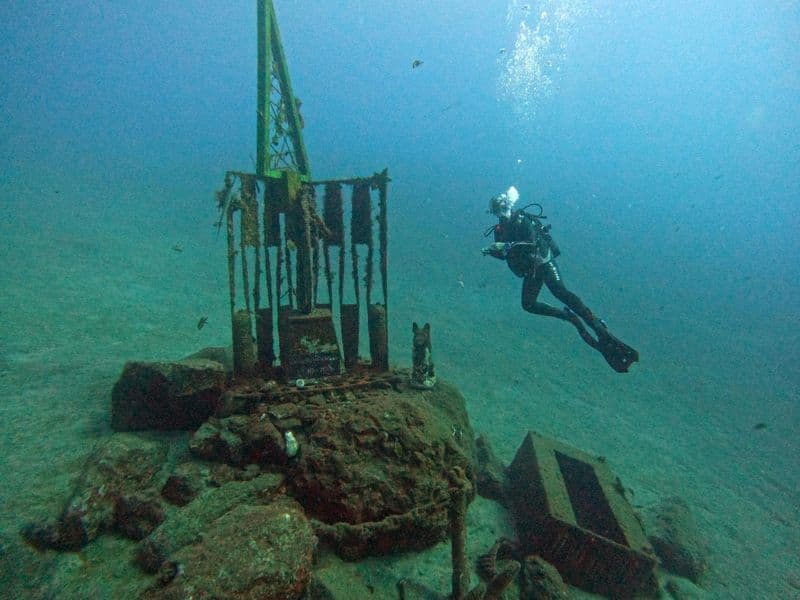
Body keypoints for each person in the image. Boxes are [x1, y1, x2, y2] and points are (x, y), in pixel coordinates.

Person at [481, 186, 638, 372]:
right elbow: (506, 254)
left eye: (502, 210)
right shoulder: (500, 230)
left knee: (560, 292)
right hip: (531, 270)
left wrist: (504, 246)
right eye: (497, 212)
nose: (501, 214)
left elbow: (530, 243)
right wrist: (493, 251)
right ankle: (568, 317)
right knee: (528, 304)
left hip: (543, 262)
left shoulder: (522, 220)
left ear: (509, 207)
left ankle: (596, 325)